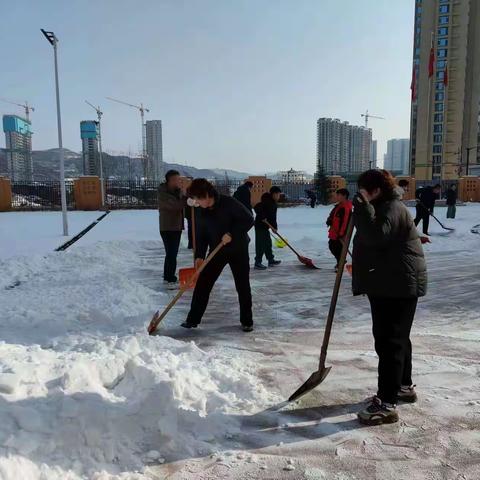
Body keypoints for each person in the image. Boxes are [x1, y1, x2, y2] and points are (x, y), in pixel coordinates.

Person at [352, 169, 427, 426]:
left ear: (375, 189)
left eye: (364, 190)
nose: (361, 194)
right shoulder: (385, 206)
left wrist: (362, 208)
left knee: (389, 342)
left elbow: (375, 237)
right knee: (396, 339)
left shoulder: (390, 208)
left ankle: (386, 403)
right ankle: (403, 387)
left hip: (396, 284)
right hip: (392, 281)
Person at [182, 179, 255, 332]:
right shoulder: (200, 211)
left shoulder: (229, 203)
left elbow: (248, 219)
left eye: (197, 198)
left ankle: (247, 320)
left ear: (207, 195)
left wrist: (232, 234)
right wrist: (199, 256)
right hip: (217, 250)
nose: (195, 202)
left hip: (238, 249)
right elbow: (200, 235)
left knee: (242, 285)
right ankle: (192, 319)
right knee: (203, 283)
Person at [158, 170, 186, 288]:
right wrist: (185, 200)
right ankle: (169, 277)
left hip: (177, 226)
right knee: (171, 253)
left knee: (172, 253)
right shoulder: (162, 193)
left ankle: (168, 275)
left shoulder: (178, 192)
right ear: (168, 181)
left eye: (178, 179)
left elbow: (183, 203)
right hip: (167, 227)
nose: (177, 182)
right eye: (175, 180)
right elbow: (174, 206)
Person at [253, 186, 283, 270]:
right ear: (273, 194)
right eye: (277, 194)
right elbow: (256, 207)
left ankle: (270, 259)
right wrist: (262, 216)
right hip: (260, 226)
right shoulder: (266, 201)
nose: (278, 196)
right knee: (260, 245)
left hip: (265, 227)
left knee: (267, 243)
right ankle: (257, 262)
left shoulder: (273, 203)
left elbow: (273, 217)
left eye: (279, 194)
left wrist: (275, 227)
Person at [326, 188, 352, 271]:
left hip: (339, 233)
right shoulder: (339, 205)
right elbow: (333, 215)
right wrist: (329, 220)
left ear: (344, 196)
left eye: (338, 195)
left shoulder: (346, 207)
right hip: (334, 231)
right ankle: (340, 262)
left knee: (337, 248)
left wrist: (341, 233)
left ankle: (340, 264)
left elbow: (345, 221)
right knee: (332, 246)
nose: (337, 196)